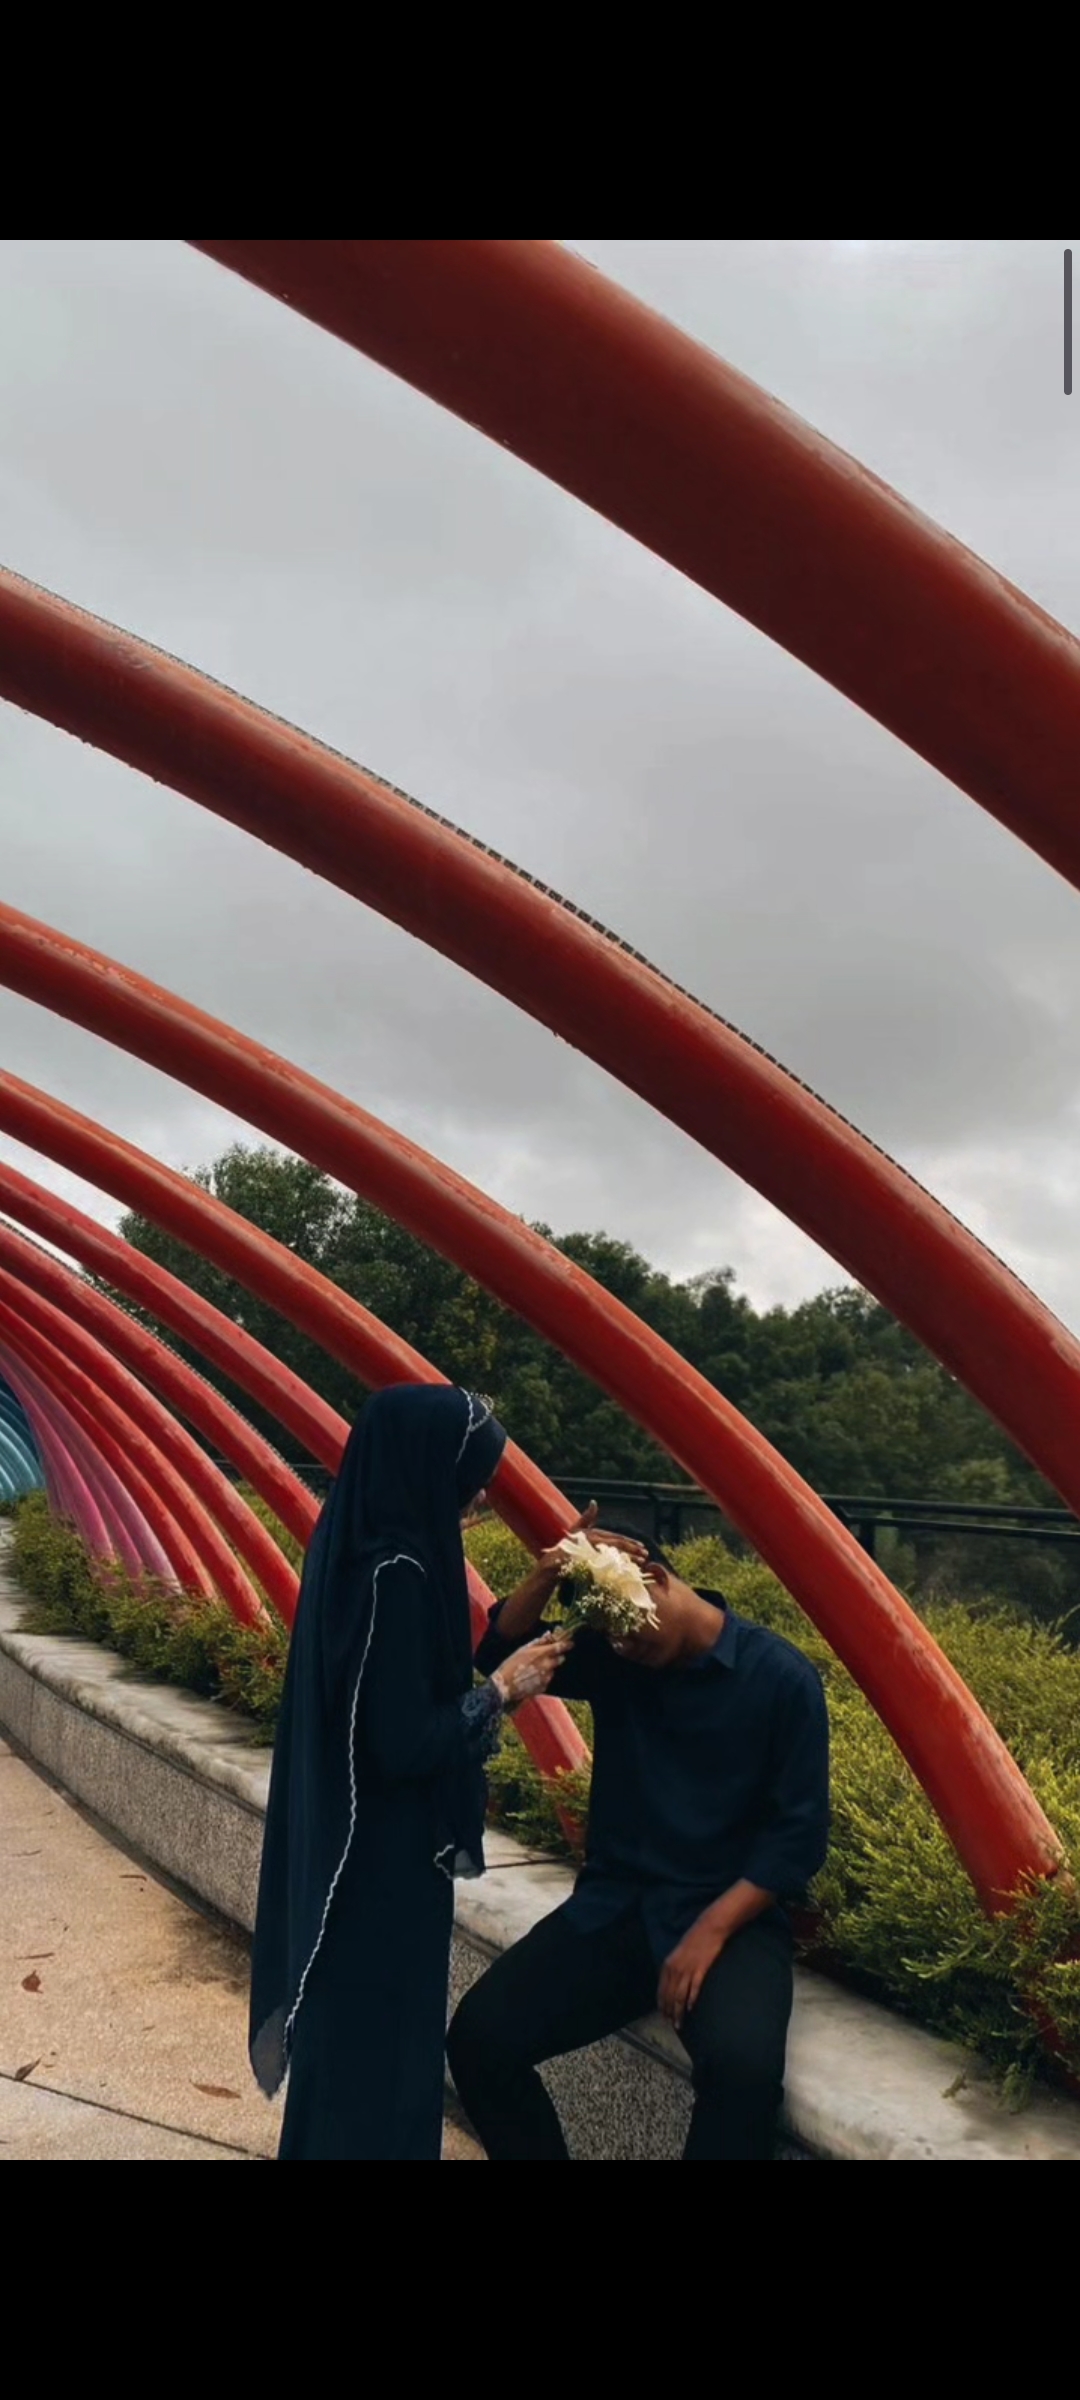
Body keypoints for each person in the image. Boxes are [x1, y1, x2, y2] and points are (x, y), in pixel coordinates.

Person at [248, 1382, 574, 2160]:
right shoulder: (396, 1574)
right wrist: (503, 1692)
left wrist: (540, 1582)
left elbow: (404, 1694)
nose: (479, 1496)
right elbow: (403, 1744)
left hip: (358, 1850)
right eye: (471, 1476)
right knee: (382, 2058)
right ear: (429, 1468)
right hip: (381, 1865)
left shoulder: (359, 1546)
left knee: (352, 2051)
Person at [447, 1527, 830, 2161]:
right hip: (615, 1909)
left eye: (629, 1631)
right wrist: (551, 1569)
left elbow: (799, 1838)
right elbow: (499, 1651)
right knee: (480, 2039)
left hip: (728, 1918)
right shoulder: (616, 1656)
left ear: (653, 1578)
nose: (623, 1646)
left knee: (743, 2074)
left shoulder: (781, 1678)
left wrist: (709, 1933)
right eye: (612, 1636)